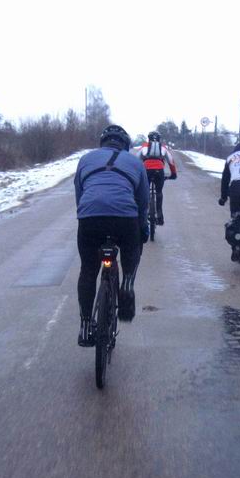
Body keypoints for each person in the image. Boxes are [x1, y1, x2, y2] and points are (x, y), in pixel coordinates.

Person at [74, 125, 149, 347]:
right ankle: (126, 283)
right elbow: (143, 202)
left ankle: (86, 326)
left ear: (102, 143)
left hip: (89, 218)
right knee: (132, 245)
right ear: (125, 145)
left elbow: (80, 194)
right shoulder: (135, 162)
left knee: (88, 270)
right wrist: (142, 229)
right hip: (124, 219)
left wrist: (85, 217)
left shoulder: (86, 159)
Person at [137, 131, 177, 224]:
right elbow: (171, 161)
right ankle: (159, 216)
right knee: (159, 192)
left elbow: (136, 160)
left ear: (149, 138)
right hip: (159, 171)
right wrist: (173, 174)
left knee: (144, 192)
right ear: (159, 139)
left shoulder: (144, 146)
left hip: (146, 170)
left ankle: (143, 216)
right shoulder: (163, 147)